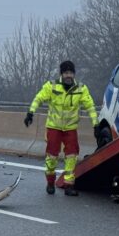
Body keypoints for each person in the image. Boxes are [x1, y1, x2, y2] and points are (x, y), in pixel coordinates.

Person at [26, 60, 98, 196]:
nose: (68, 75)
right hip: (54, 128)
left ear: (74, 74)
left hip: (70, 129)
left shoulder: (81, 88)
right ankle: (50, 182)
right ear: (61, 74)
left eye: (71, 73)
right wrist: (30, 112)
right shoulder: (52, 86)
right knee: (52, 157)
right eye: (66, 73)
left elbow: (90, 106)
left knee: (72, 156)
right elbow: (39, 98)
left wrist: (96, 124)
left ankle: (69, 186)